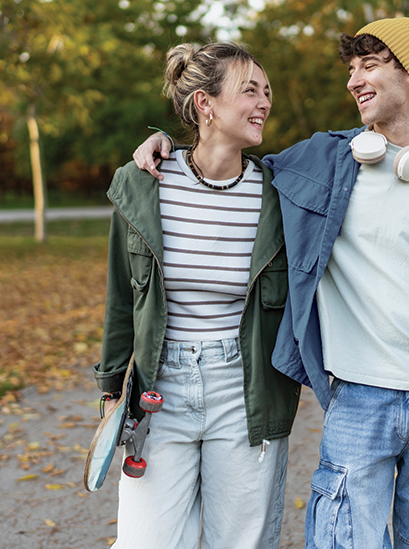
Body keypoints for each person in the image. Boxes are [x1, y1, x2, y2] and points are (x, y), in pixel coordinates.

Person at [134, 17, 409, 549]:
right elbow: (227, 157)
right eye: (351, 68)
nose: (354, 80)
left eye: (370, 65)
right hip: (358, 397)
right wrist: (168, 145)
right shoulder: (325, 161)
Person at [94, 41, 300, 548]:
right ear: (205, 103)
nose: (264, 103)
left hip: (247, 387)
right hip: (159, 389)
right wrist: (111, 388)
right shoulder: (144, 182)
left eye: (267, 93)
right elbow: (121, 297)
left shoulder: (280, 192)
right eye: (249, 90)